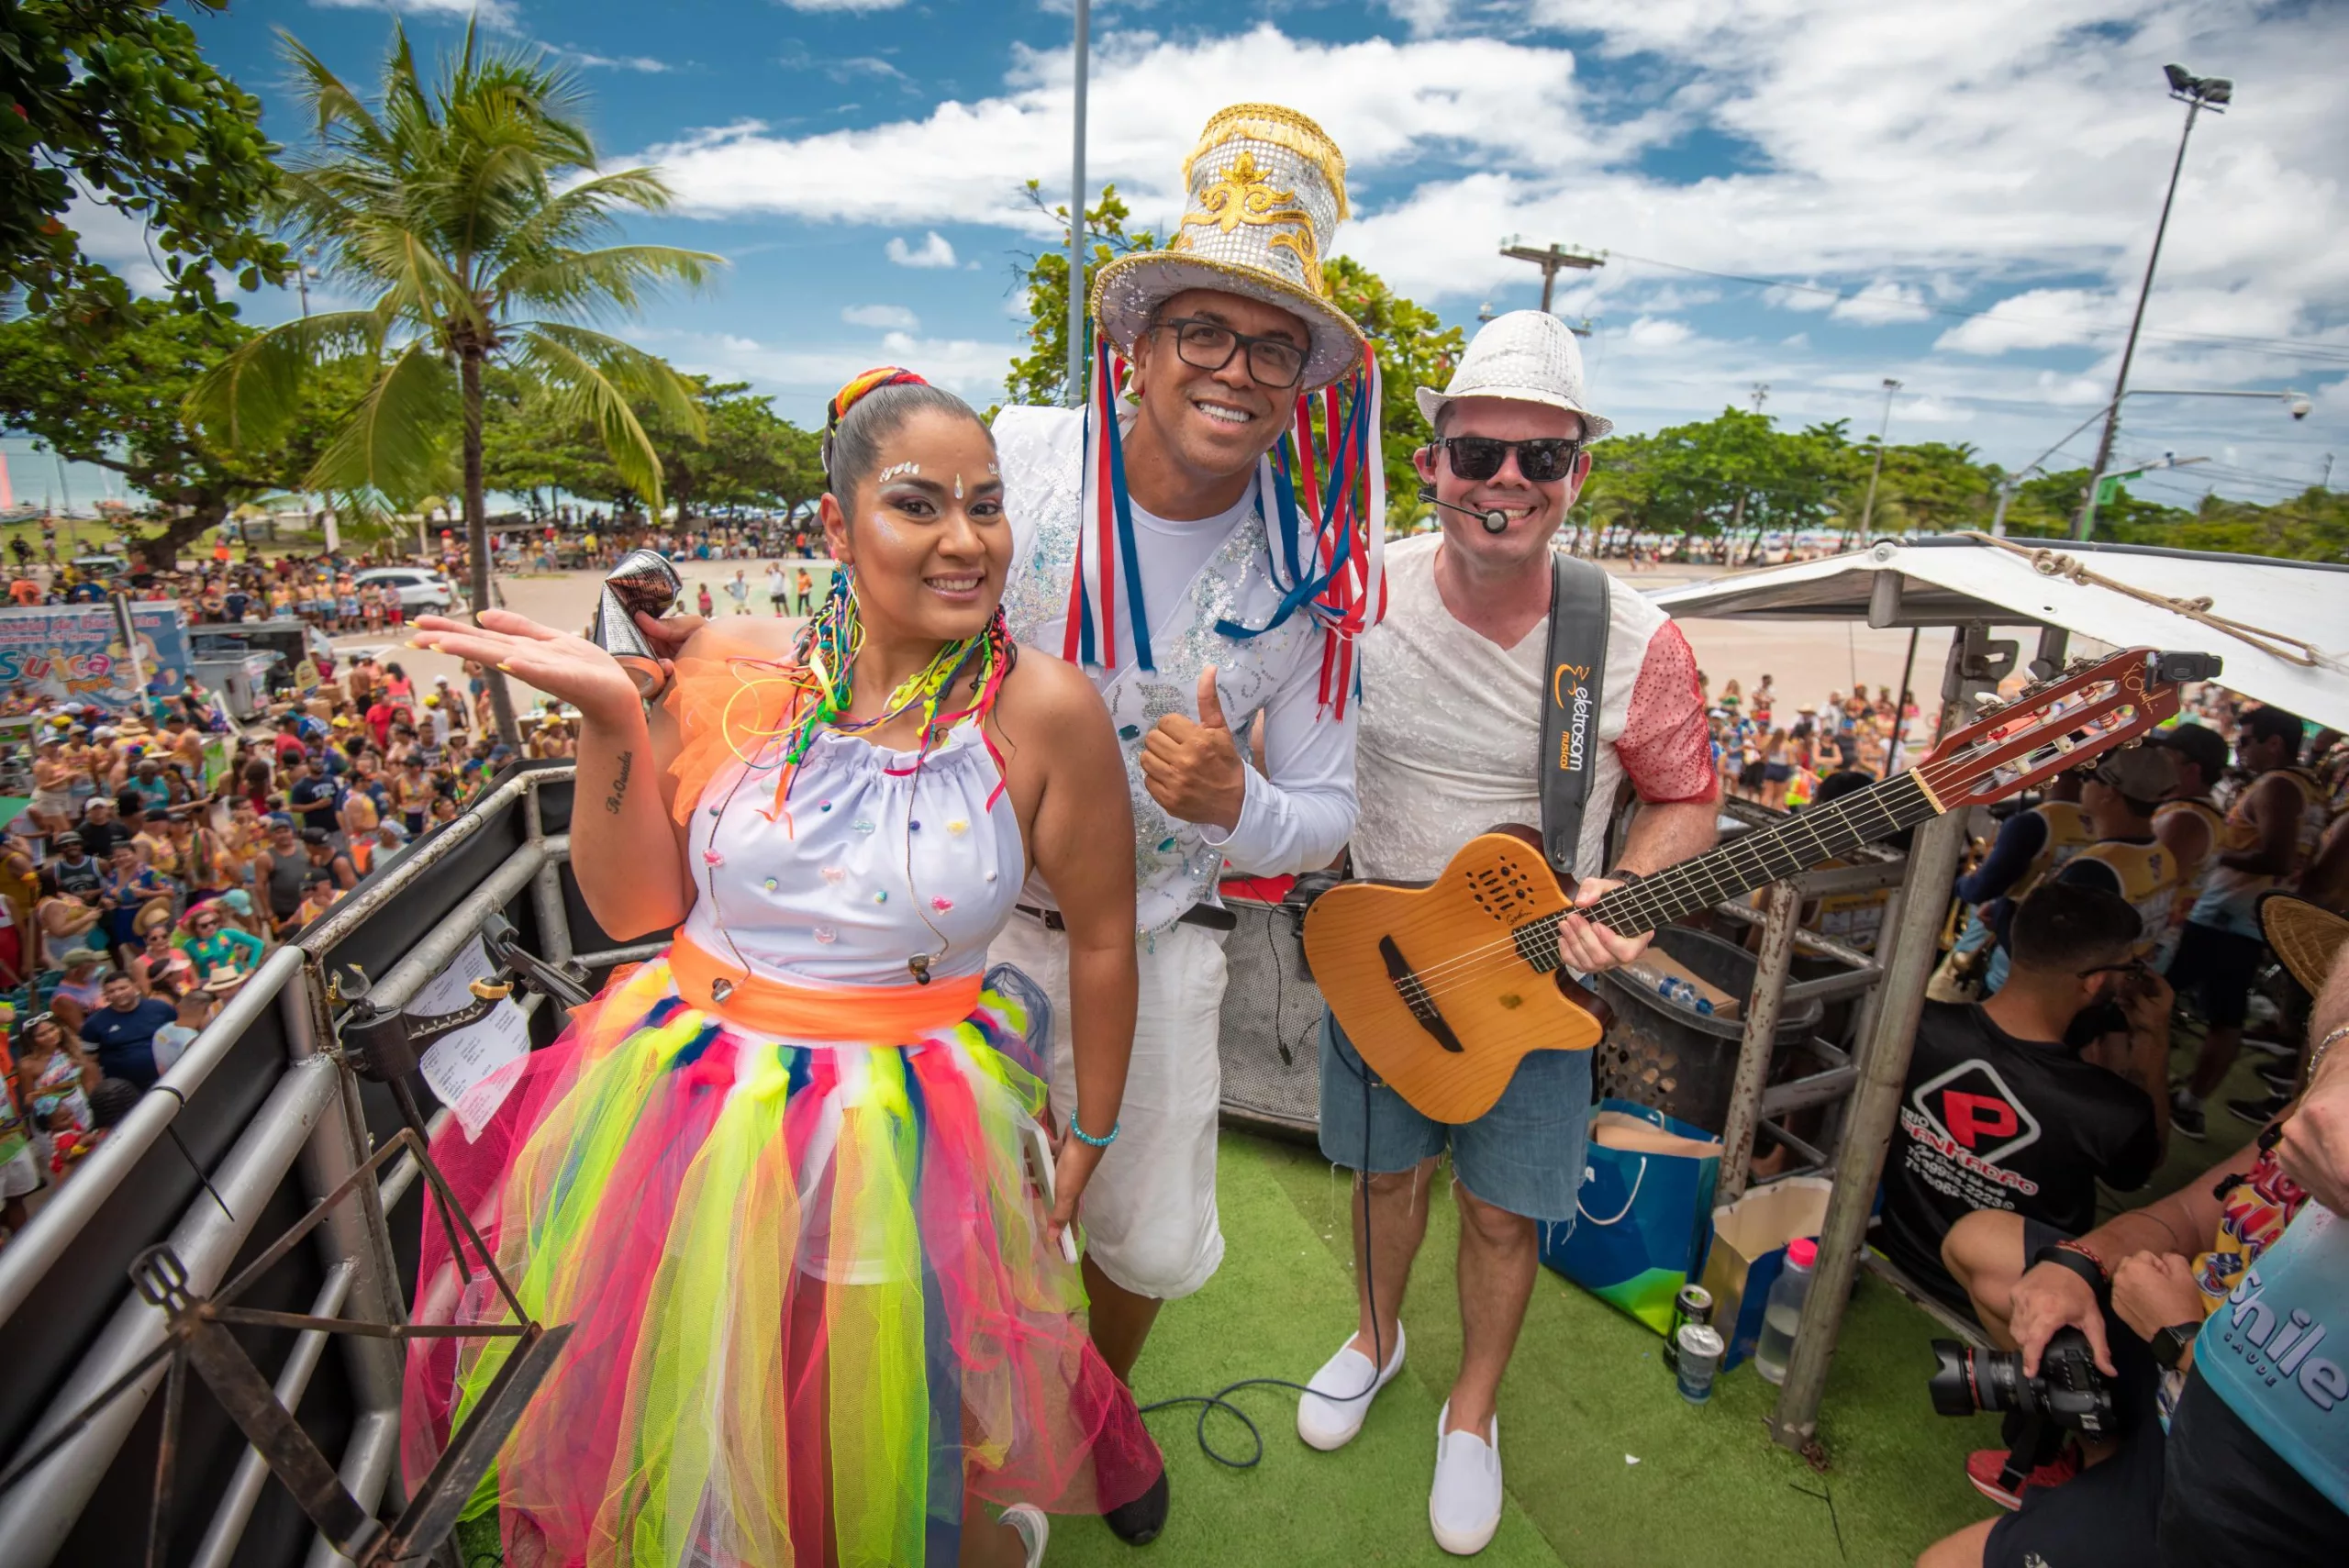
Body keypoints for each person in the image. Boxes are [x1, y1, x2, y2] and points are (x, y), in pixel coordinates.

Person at [402, 369, 1162, 1565]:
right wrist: (612, 715)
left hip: (897, 1121)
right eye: (919, 504)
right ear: (835, 526)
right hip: (686, 1102)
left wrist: (1096, 1133)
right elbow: (638, 903)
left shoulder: (1045, 709)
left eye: (988, 503)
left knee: (869, 1405)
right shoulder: (736, 665)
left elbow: (1107, 933)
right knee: (712, 1390)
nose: (967, 539)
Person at [984, 106, 1378, 1452]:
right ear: (1138, 349)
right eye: (1203, 332)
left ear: (1304, 385)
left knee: (1140, 1225)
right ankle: (965, 1422)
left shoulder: (1311, 575)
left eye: (1273, 348)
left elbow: (1327, 820)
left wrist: (1237, 804)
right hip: (955, 919)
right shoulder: (1015, 459)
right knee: (937, 1197)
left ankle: (1098, 1420)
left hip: (1155, 943)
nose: (1234, 369)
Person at [1296, 310, 1717, 1554]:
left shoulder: (1632, 640)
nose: (1508, 484)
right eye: (1480, 453)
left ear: (1577, 472)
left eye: (1542, 459)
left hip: (1533, 988)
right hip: (1381, 960)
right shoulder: (1356, 591)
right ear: (1433, 462)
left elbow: (1689, 796)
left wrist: (1627, 896)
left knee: (1500, 1213)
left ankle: (1469, 1414)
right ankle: (1377, 1339)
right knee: (1383, 1176)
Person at [1920, 894, 2349, 1568]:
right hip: (2174, 1329)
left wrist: (2181, 1341)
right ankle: (2104, 1456)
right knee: (1992, 1249)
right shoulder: (2302, 1117)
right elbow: (2179, 1213)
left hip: (2238, 1439)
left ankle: (2123, 1467)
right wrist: (2078, 1263)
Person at [1877, 882, 2167, 1314]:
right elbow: (2141, 1167)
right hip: (2004, 1299)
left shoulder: (1914, 1025)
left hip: (1894, 1253)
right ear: (2096, 983)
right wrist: (2153, 1038)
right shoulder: (2109, 1108)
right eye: (2132, 968)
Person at [2171, 705, 2330, 1139]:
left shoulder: (2278, 785)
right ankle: (2189, 1103)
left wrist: (2214, 853)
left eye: (2245, 741)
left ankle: (2186, 1104)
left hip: (2227, 914)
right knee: (2224, 1013)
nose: (2238, 751)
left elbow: (2277, 856)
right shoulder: (2309, 787)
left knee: (2169, 997)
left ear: (2273, 743)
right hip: (2244, 915)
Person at [2053, 747, 2182, 960]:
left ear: (2109, 793)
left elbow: (2051, 953)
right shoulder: (2162, 855)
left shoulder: (2095, 869)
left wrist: (2002, 912)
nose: (2082, 783)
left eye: (2087, 776)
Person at [2145, 722, 2229, 973]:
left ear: (2192, 770)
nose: (2157, 765)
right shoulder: (2188, 810)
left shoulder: (2188, 819)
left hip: (2147, 942)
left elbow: (2154, 883)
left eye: (2167, 759)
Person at [80, 969, 179, 1091]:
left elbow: (180, 1035)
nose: (118, 993)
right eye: (111, 991)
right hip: (129, 1090)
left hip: (172, 1076)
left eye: (123, 988)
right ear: (105, 995)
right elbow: (90, 1061)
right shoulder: (93, 1024)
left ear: (135, 986)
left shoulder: (160, 1008)